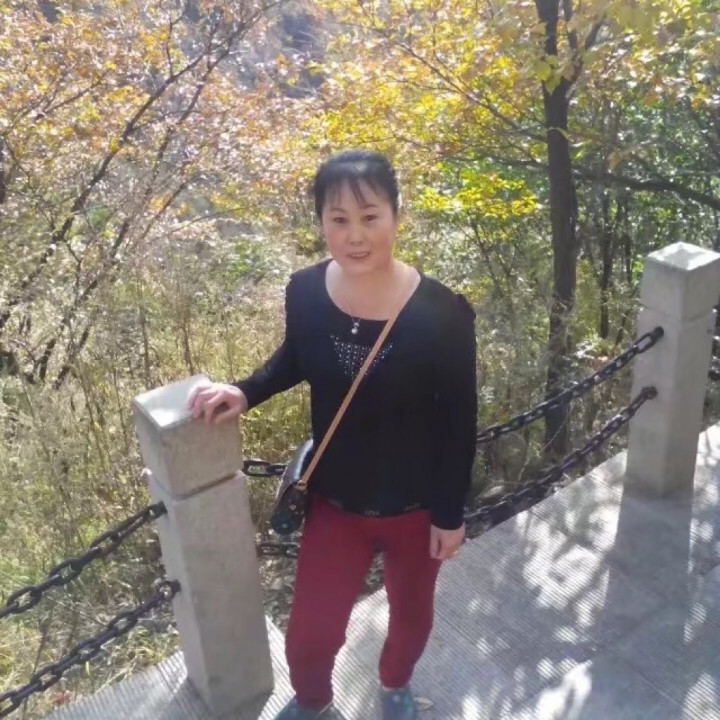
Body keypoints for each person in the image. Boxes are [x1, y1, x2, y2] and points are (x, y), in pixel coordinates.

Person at [187, 150, 477, 720]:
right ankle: (314, 702)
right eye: (338, 219)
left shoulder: (443, 311)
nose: (355, 235)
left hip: (416, 507)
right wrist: (244, 391)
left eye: (370, 217)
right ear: (321, 221)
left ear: (396, 216)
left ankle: (395, 688)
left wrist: (450, 513)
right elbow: (296, 357)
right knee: (310, 634)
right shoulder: (305, 291)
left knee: (411, 615)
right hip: (336, 501)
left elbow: (459, 418)